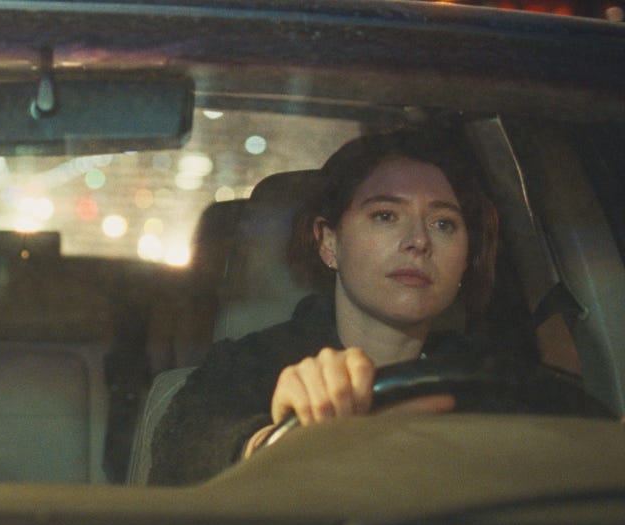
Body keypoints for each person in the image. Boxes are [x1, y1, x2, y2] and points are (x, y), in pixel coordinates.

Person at [148, 126, 604, 487]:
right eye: (385, 216)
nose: (419, 241)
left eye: (444, 223)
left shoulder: (495, 378)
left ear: (467, 256)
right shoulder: (247, 365)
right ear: (329, 243)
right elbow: (187, 449)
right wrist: (272, 443)